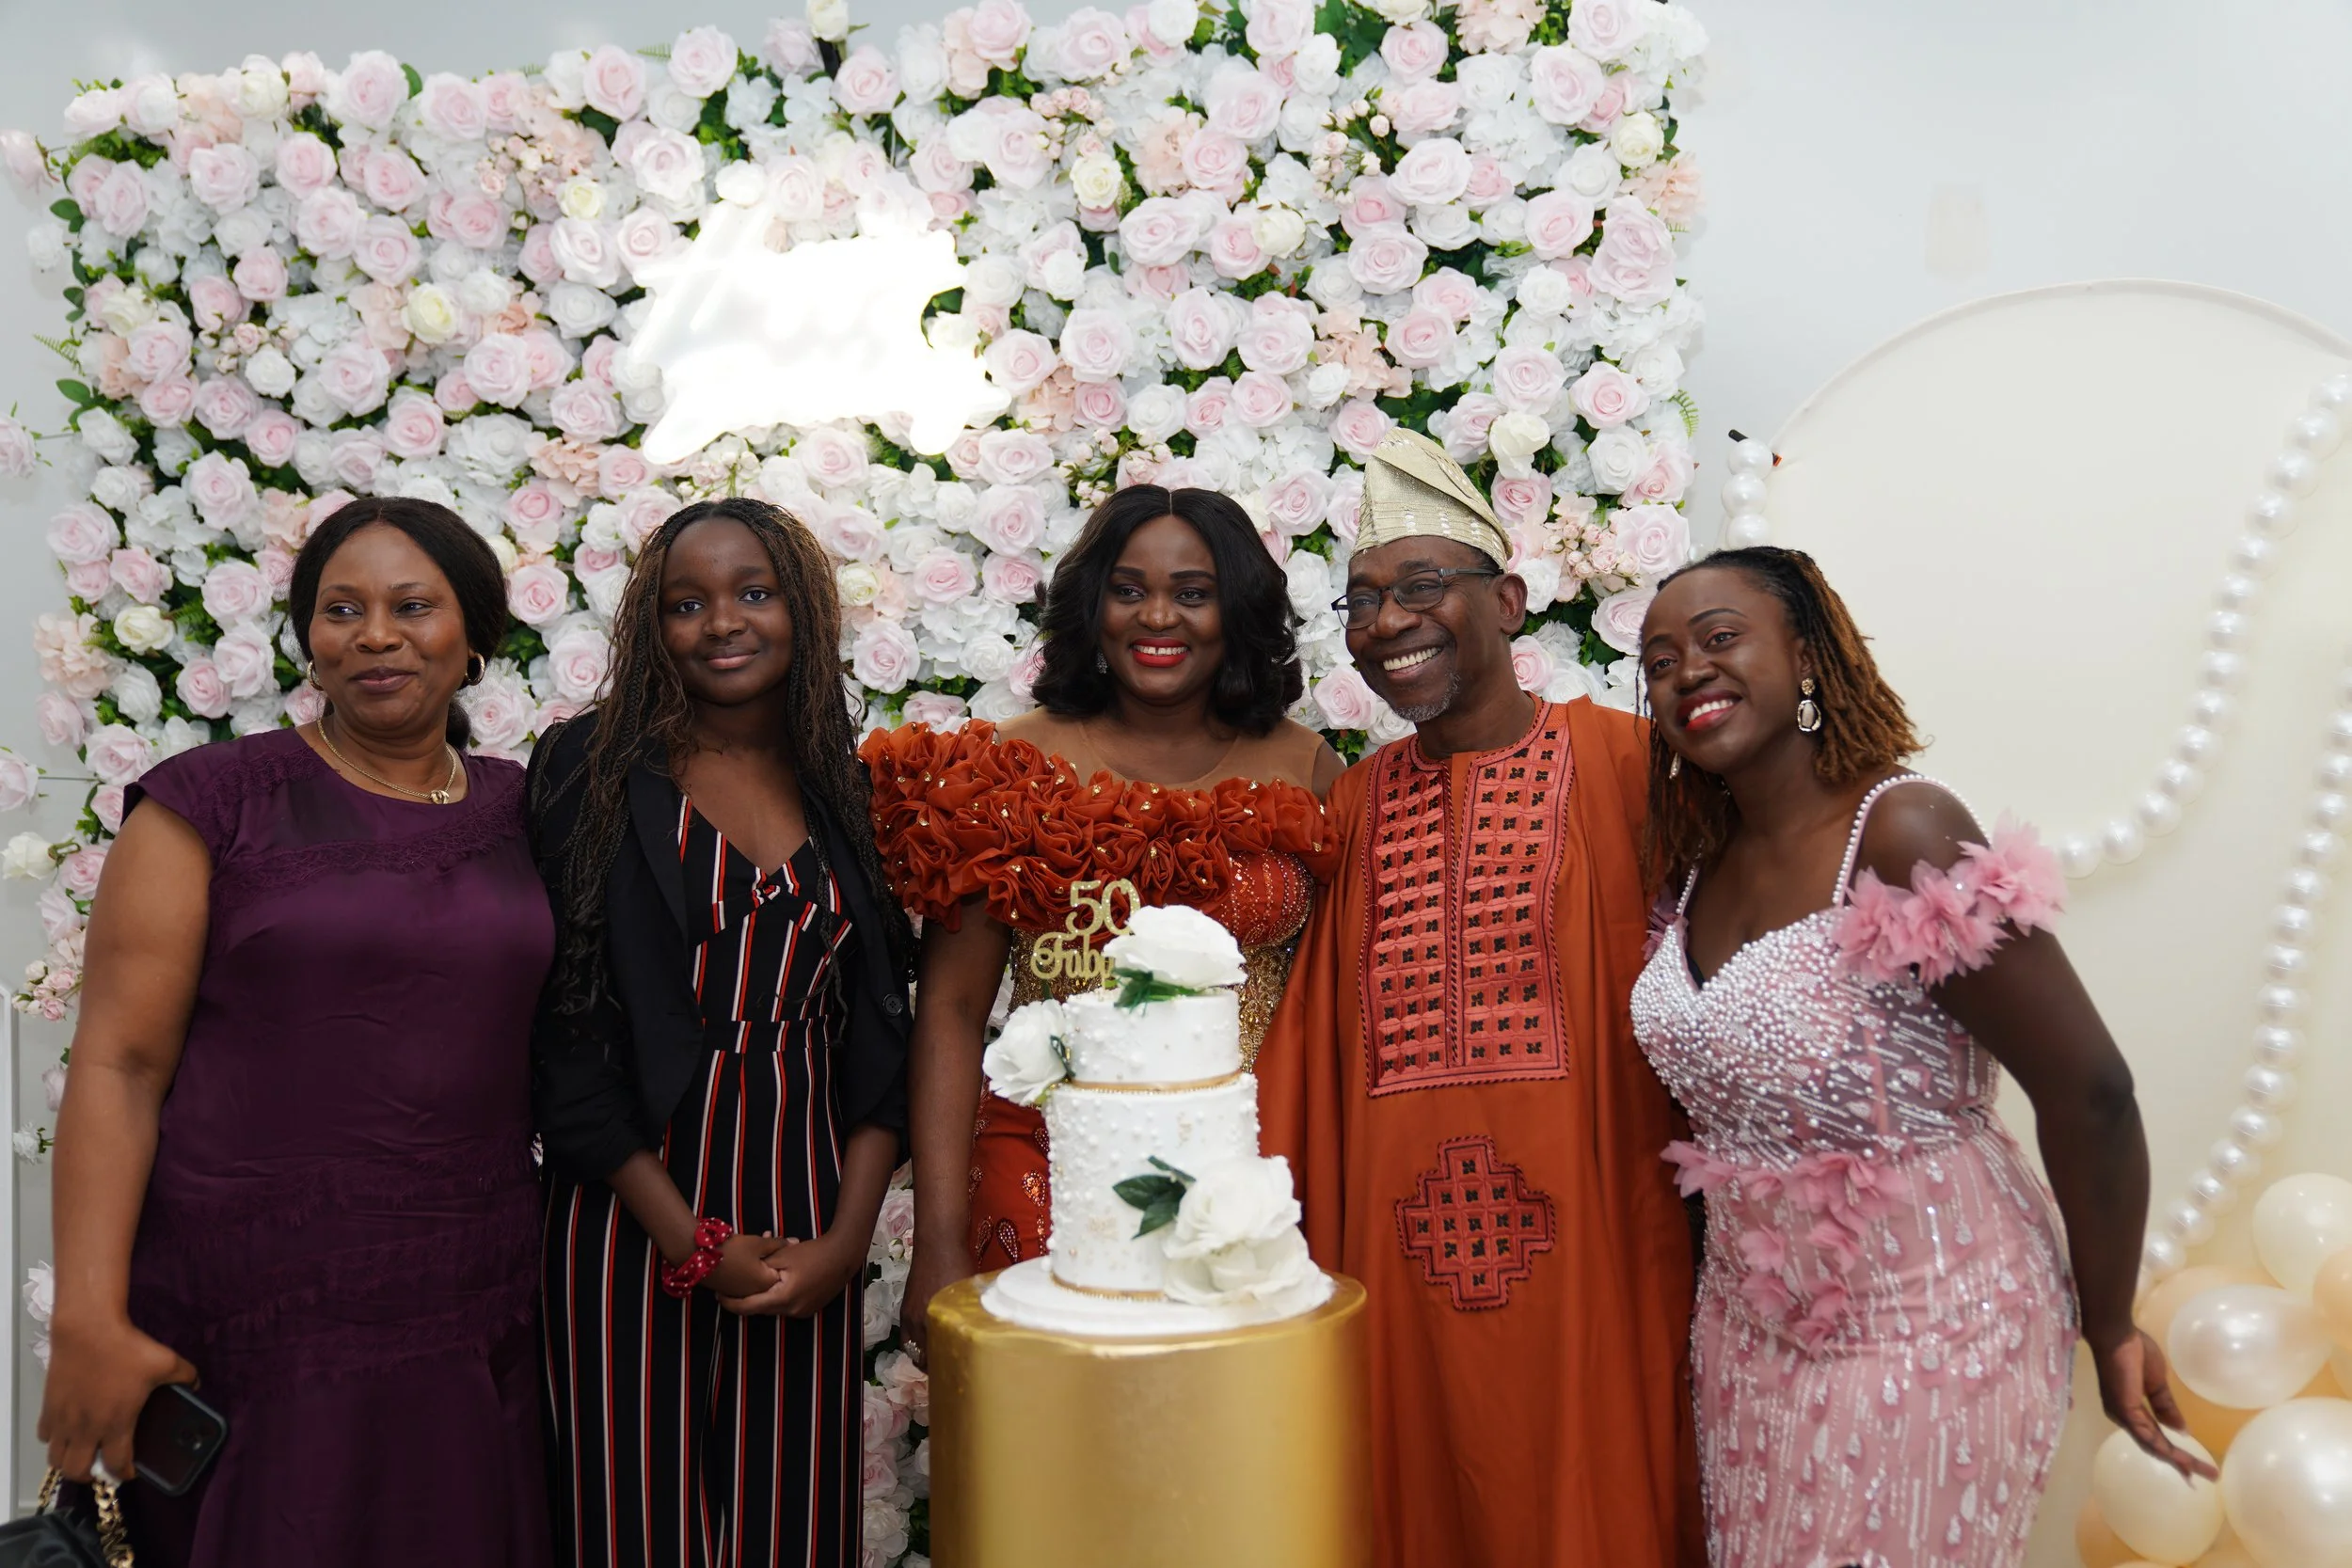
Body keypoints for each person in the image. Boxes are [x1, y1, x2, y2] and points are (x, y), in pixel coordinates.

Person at [1629, 545, 2209, 1567]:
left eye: (1720, 639)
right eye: (1660, 659)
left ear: (1807, 656)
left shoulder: (1900, 827)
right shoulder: (1691, 868)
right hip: (1747, 1332)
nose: (1687, 673)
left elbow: (2092, 1089)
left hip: (1936, 1317)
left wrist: (2109, 1320)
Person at [38, 498, 552, 1567]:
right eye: (340, 609)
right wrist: (86, 1312)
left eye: (413, 605)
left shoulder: (532, 809)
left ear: (477, 635)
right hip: (251, 1312)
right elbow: (120, 1064)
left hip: (472, 1307)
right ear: (306, 640)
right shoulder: (206, 802)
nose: (375, 634)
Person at [1258, 431, 1703, 1568]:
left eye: (1419, 586)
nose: (1386, 622)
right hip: (1395, 1260)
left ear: (1506, 600)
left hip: (1601, 1248)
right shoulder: (1353, 806)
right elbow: (1305, 1048)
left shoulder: (1625, 763)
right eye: (1361, 601)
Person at [862, 484, 1342, 1352]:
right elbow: (954, 1012)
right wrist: (937, 1235)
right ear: (1093, 605)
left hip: (1257, 1185)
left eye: (1193, 593)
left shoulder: (1304, 763)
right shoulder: (1009, 764)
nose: (1159, 616)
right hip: (1045, 1172)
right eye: (1128, 589)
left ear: (1235, 609)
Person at [528, 499, 913, 1568]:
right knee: (634, 1526)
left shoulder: (848, 786)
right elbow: (564, 1035)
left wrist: (844, 1241)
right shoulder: (586, 770)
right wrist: (685, 1237)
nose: (721, 622)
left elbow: (883, 1038)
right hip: (627, 1210)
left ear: (800, 608)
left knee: (789, 1523)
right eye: (685, 603)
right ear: (651, 627)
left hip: (804, 1211)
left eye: (753, 591)